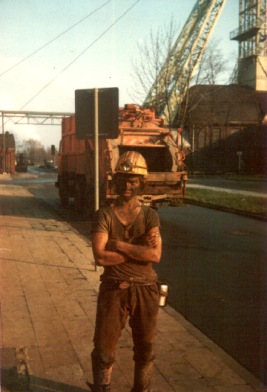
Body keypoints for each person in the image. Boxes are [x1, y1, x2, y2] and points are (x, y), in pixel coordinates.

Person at [88, 151, 162, 392]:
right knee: (103, 349)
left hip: (146, 290)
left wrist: (118, 245)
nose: (127, 185)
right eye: (123, 179)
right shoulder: (104, 215)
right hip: (113, 289)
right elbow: (100, 256)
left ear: (141, 183)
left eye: (133, 180)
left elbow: (155, 255)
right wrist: (138, 249)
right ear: (115, 181)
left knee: (146, 347)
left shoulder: (151, 215)